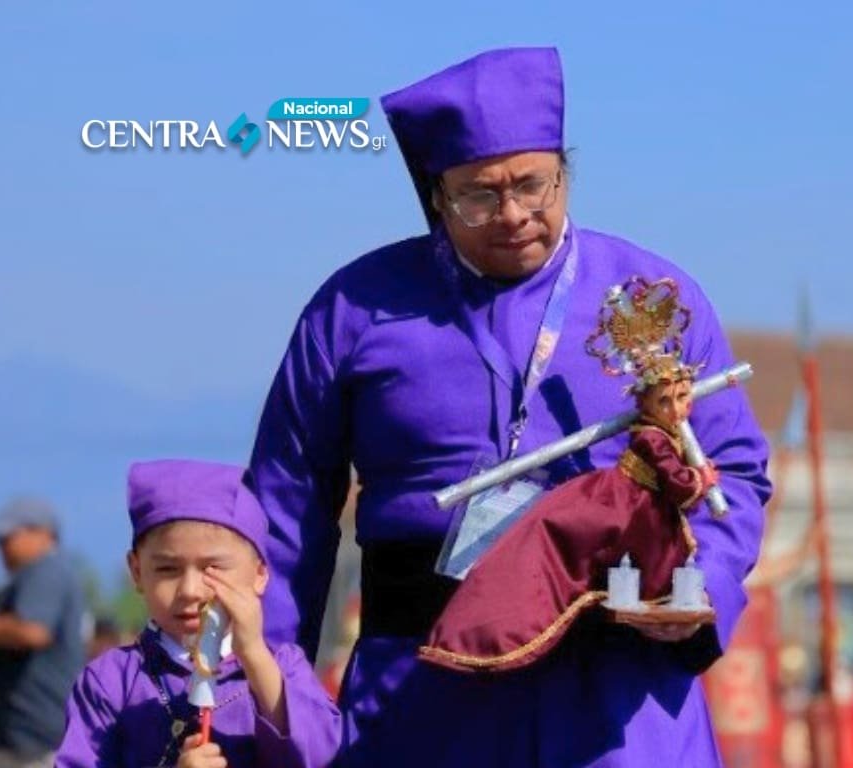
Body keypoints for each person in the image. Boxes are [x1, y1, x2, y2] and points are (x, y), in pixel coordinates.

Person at [246, 46, 770, 767]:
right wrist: (271, 695)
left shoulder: (654, 298)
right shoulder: (353, 310)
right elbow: (285, 511)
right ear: (436, 194)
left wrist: (700, 585)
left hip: (619, 702)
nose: (515, 214)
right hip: (420, 696)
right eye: (480, 196)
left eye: (535, 185)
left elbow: (732, 470)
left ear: (566, 171)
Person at [419, 277, 720, 671]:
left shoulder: (667, 285)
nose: (513, 214)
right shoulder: (652, 438)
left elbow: (741, 475)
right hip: (619, 512)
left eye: (683, 398)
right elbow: (680, 485)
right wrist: (701, 479)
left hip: (633, 666)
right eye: (667, 400)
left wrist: (707, 585)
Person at [54, 459, 341, 768]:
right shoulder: (110, 680)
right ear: (137, 571)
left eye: (212, 568)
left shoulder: (285, 667)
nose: (190, 590)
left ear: (259, 574)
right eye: (167, 569)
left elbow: (323, 756)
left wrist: (254, 655)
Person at [0, 498, 85, 768]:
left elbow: (32, 632)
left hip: (34, 745)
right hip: (11, 740)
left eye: (7, 537)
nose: (0, 546)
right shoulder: (30, 577)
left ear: (42, 533)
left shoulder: (47, 569)